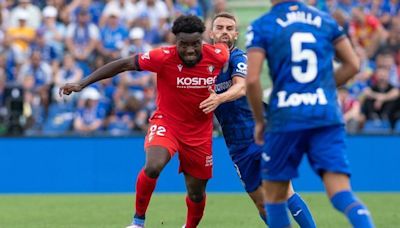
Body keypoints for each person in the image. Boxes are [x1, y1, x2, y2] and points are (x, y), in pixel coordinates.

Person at [59, 15, 229, 228]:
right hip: (167, 124)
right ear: (175, 41)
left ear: (202, 40)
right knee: (153, 166)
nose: (190, 50)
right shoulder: (162, 57)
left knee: (196, 193)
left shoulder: (218, 56)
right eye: (183, 45)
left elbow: (228, 49)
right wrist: (82, 84)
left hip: (199, 132)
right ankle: (138, 222)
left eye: (195, 44)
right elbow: (123, 65)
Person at [245, 1, 375, 228]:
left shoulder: (262, 25)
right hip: (325, 114)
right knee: (341, 193)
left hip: (285, 117)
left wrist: (259, 121)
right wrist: (320, 89)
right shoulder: (325, 20)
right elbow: (353, 64)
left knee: (275, 197)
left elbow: (253, 79)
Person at [200, 12, 316, 227]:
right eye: (220, 28)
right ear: (211, 33)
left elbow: (241, 87)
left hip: (261, 133)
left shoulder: (238, 58)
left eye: (229, 29)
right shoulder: (203, 66)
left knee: (283, 190)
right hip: (237, 145)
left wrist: (218, 98)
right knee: (261, 204)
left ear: (235, 34)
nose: (224, 32)